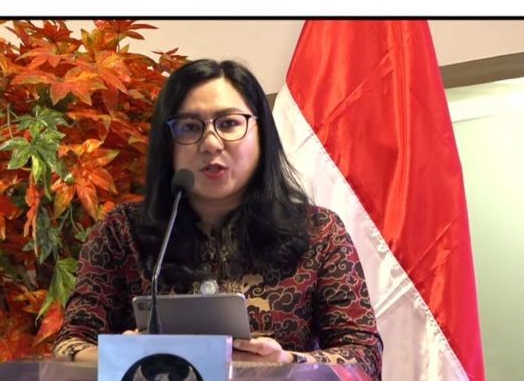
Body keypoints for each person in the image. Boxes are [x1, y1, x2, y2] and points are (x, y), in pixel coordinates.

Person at [53, 59, 382, 379]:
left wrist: (288, 362)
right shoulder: (121, 232)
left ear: (261, 133)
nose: (210, 143)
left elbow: (364, 356)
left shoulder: (319, 232)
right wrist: (123, 354)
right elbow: (70, 344)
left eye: (228, 123)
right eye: (189, 127)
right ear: (168, 143)